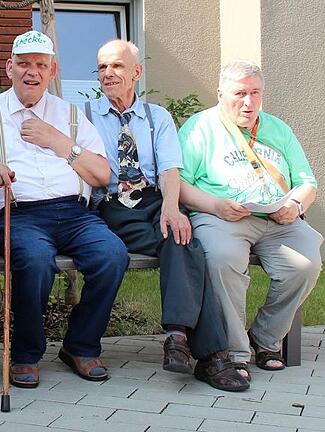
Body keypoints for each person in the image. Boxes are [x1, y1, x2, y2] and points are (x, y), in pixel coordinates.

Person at [0, 30, 129, 387]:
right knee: (35, 261)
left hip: (74, 213)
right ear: (9, 68)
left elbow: (101, 174)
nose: (31, 72)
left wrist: (58, 141)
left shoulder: (68, 115)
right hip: (17, 214)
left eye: (40, 65)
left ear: (52, 72)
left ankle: (80, 345)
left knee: (113, 255)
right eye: (23, 64)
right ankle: (25, 353)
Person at [87, 40, 248, 391]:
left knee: (183, 237)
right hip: (113, 202)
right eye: (102, 67)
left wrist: (172, 208)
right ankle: (207, 354)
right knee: (187, 249)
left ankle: (180, 338)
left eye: (116, 66)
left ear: (136, 72)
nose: (108, 74)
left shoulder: (156, 116)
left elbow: (170, 167)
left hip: (157, 198)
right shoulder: (85, 116)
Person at [178, 60, 322, 377]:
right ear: (220, 94)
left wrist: (295, 206)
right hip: (222, 217)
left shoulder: (278, 128)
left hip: (278, 219)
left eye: (255, 93)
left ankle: (265, 338)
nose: (248, 102)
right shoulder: (199, 128)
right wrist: (216, 206)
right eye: (240, 93)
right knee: (221, 258)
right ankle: (234, 351)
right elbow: (180, 185)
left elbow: (307, 182)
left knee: (306, 263)